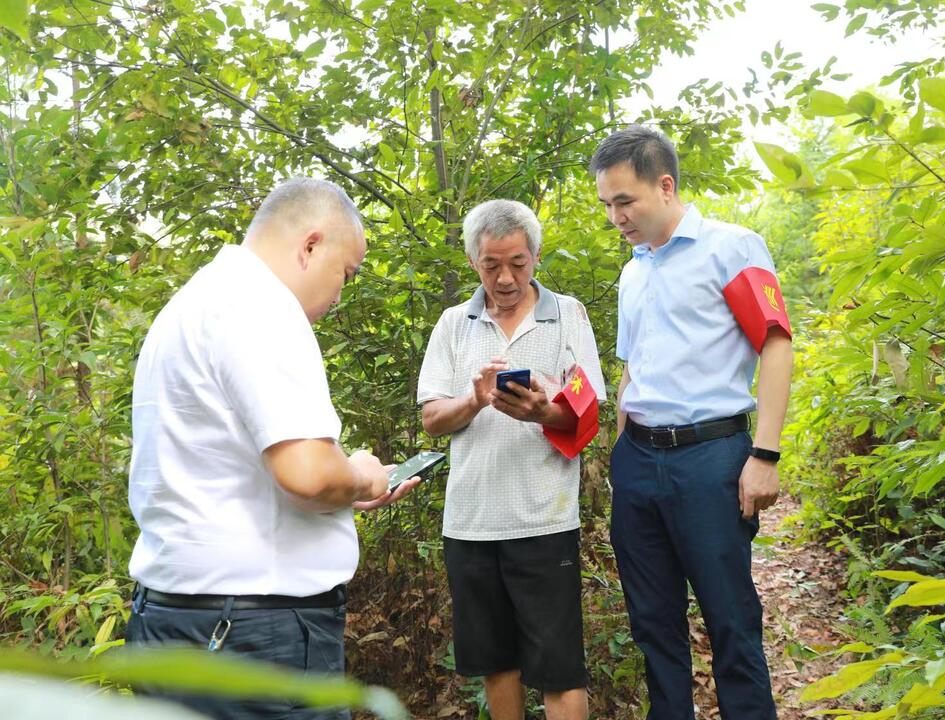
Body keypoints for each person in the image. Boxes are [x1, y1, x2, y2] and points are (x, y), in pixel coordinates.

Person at [124, 177, 419, 719]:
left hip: (171, 622)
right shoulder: (261, 305)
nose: (338, 296)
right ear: (310, 245)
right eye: (345, 274)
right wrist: (360, 475)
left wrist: (341, 495)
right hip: (252, 636)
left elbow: (221, 470)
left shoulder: (193, 304)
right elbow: (308, 474)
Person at [591, 126, 794, 720]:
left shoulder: (730, 247)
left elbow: (776, 345)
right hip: (639, 463)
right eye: (607, 205)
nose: (615, 217)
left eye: (624, 201)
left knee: (730, 620)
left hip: (710, 458)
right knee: (653, 626)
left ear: (666, 185)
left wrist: (765, 455)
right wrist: (621, 449)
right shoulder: (634, 271)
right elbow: (633, 368)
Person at [417, 199, 605, 720]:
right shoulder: (455, 324)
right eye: (491, 265)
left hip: (543, 521)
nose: (504, 278)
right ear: (474, 261)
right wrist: (474, 400)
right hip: (471, 524)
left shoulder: (568, 315)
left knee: (560, 668)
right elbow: (432, 419)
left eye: (517, 263)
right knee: (497, 663)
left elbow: (587, 418)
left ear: (536, 257)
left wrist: (544, 411)